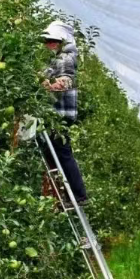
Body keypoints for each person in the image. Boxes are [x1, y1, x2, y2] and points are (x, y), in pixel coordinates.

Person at [37, 20, 88, 205]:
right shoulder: (56, 58)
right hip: (55, 113)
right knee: (53, 154)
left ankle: (79, 195)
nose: (48, 44)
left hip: (60, 114)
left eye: (53, 41)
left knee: (62, 153)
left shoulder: (65, 58)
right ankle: (67, 195)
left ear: (62, 42)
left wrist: (44, 84)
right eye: (47, 41)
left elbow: (65, 82)